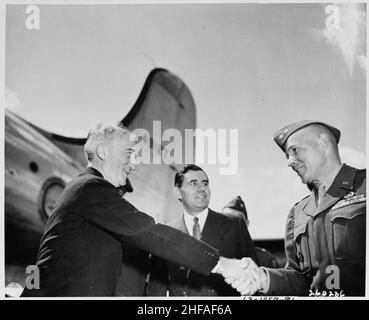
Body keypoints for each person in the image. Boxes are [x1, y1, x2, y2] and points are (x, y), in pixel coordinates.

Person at [20, 123, 253, 297]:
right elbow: (149, 232)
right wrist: (221, 263)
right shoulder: (91, 189)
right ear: (103, 152)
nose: (134, 163)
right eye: (128, 154)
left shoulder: (84, 189)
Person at [238, 120, 366, 296]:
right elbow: (300, 279)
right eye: (287, 156)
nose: (290, 162)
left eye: (295, 151)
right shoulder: (298, 213)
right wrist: (263, 279)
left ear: (323, 143)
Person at [147, 165, 257, 296]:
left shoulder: (234, 225)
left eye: (205, 183)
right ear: (177, 192)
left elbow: (253, 278)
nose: (202, 188)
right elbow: (156, 287)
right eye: (193, 183)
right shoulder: (166, 232)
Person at [222, 196, 279, 268]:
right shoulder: (210, 256)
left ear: (246, 223)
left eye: (238, 220)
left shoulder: (265, 259)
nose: (232, 224)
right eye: (226, 218)